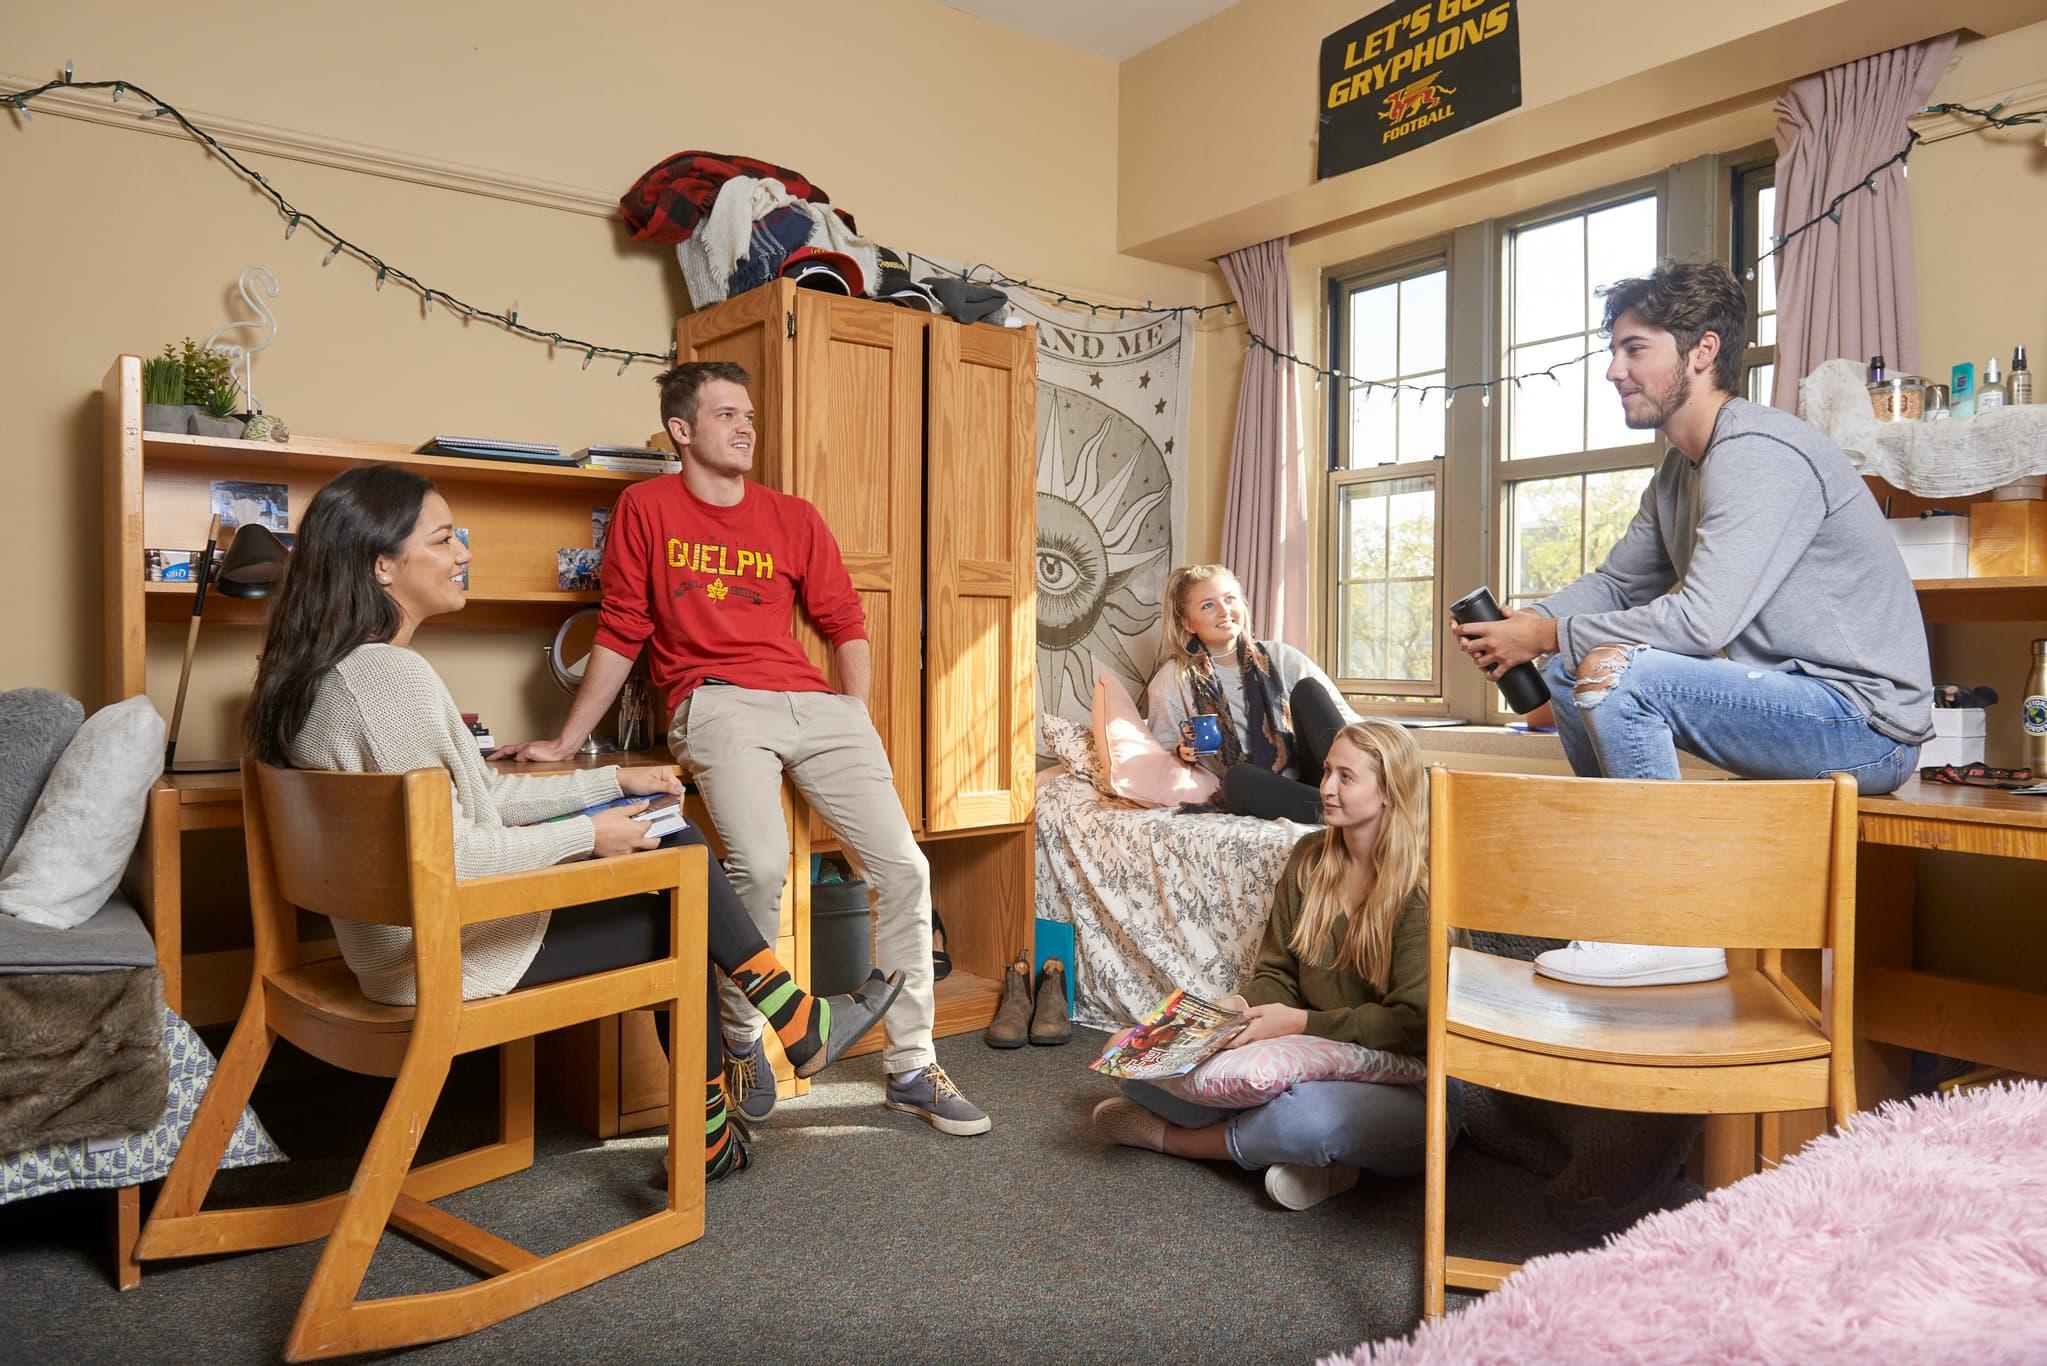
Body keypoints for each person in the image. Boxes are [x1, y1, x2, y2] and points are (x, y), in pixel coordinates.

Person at [243, 464, 904, 1184]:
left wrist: (611, 782)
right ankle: (760, 1063)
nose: (463, 552)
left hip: (410, 940)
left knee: (661, 828)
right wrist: (591, 837)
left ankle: (777, 1041)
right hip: (434, 955)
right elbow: (454, 854)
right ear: (382, 565)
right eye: (442, 539)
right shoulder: (386, 679)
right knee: (681, 906)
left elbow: (476, 800)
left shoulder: (329, 675)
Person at [495, 361, 988, 1136]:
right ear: (682, 431)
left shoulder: (792, 516)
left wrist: (852, 712)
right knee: (758, 866)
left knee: (905, 868)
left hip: (818, 706)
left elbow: (843, 620)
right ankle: (745, 1037)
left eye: (748, 413)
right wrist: (567, 738)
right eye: (726, 414)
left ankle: (911, 1067)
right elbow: (623, 628)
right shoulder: (645, 508)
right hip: (716, 700)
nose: (746, 426)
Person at [1451, 259, 1933, 989]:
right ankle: (1622, 899)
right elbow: (1617, 582)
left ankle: (1667, 922)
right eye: (1613, 350)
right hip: (1789, 701)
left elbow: (1703, 619)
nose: (1613, 369)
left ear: (1700, 352)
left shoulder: (1759, 452)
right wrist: (1531, 623)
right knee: (1571, 666)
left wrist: (1548, 636)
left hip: (1862, 724)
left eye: (1633, 348)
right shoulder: (1681, 470)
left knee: (1614, 672)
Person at [1090, 721, 1455, 1211]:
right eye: (1327, 771)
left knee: (1304, 1120)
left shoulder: (1421, 889)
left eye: (1346, 777)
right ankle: (1324, 1163)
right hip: (1313, 1061)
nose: (1326, 788)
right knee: (1132, 1061)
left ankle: (1175, 1141)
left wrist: (1304, 1023)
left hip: (1410, 1086)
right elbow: (1277, 974)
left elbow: (1415, 1023)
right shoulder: (1309, 860)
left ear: (1389, 791)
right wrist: (1230, 1011)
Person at [1144, 563, 1360, 822]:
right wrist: (1182, 753)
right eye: (1208, 605)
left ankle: (1353, 799)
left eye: (1230, 598)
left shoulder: (1280, 656)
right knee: (1238, 779)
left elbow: (1346, 720)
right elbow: (1162, 757)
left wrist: (1385, 756)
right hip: (1261, 791)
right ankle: (1348, 812)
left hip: (1319, 780)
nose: (1225, 611)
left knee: (1309, 691)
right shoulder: (1171, 681)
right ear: (1188, 623)